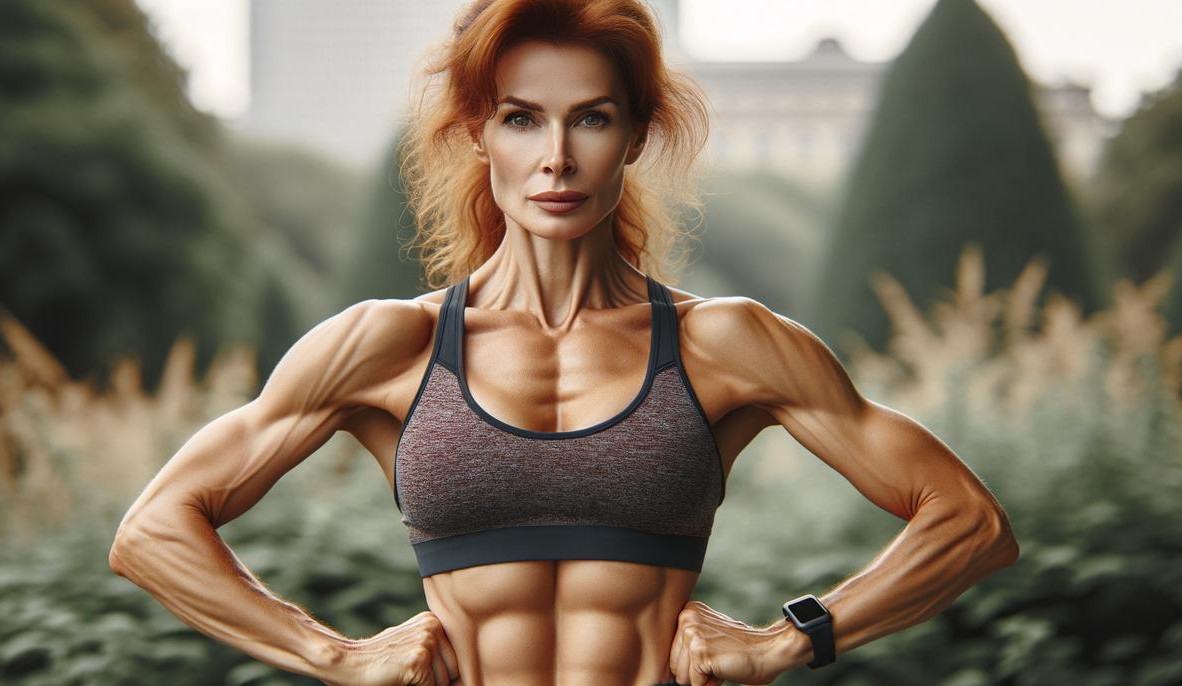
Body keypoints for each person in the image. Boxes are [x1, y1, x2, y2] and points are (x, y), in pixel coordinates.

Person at [108, 1, 1021, 685]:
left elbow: (969, 521)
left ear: (633, 135)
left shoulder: (727, 345)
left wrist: (790, 639)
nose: (557, 157)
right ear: (478, 135)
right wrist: (333, 656)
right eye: (521, 118)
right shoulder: (388, 345)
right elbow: (153, 532)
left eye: (590, 116)